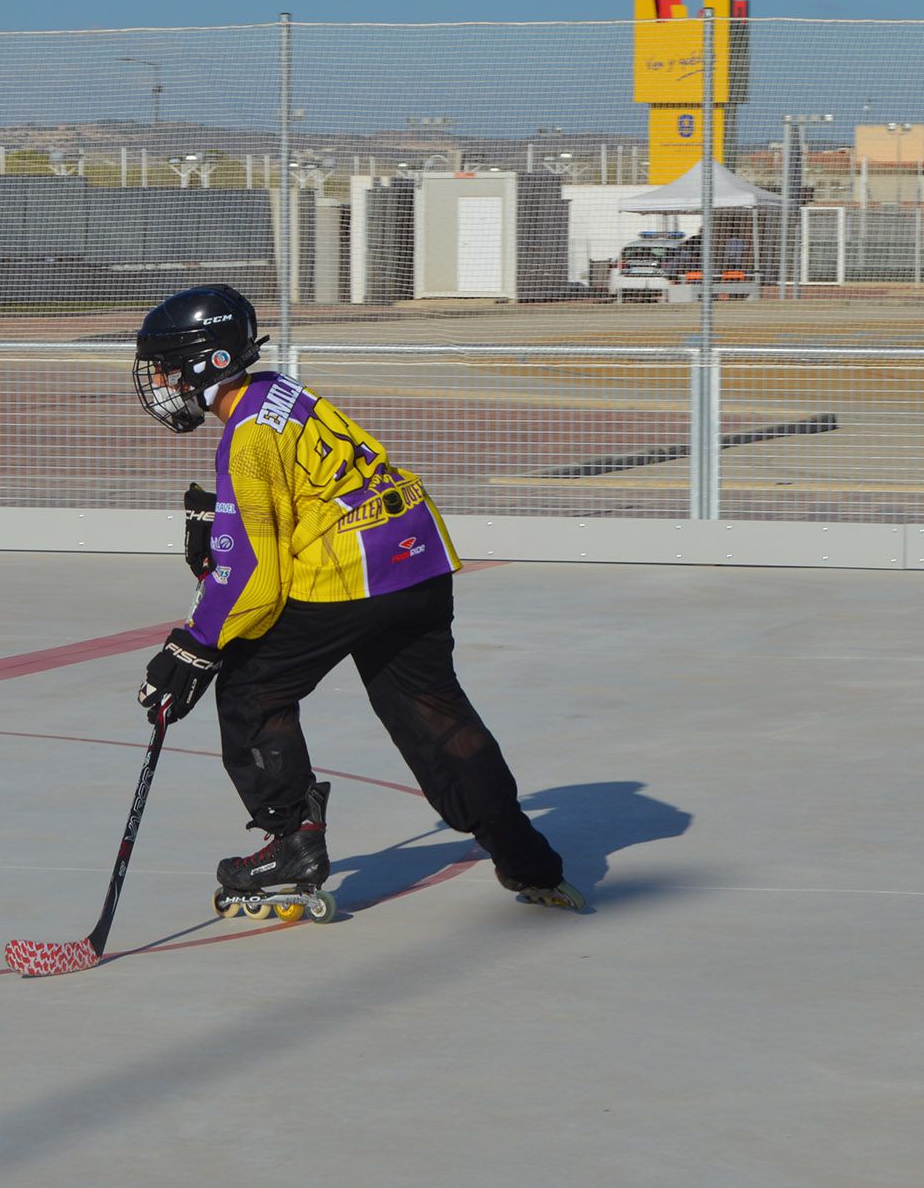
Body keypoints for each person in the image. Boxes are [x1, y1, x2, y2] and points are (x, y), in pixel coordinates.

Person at [129, 284, 583, 915]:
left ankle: (293, 841)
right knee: (432, 710)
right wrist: (226, 516)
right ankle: (526, 856)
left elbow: (254, 580)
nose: (159, 382)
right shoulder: (279, 392)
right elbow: (313, 483)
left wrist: (193, 646)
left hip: (353, 572)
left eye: (167, 366)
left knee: (251, 690)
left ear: (209, 362)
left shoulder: (244, 437)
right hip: (417, 557)